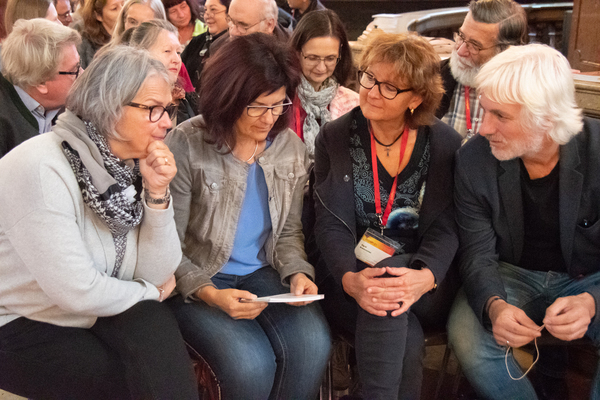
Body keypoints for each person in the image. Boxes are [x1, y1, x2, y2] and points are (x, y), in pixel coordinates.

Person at [0, 44, 198, 400]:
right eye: (153, 109)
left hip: (95, 310)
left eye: (168, 109)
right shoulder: (41, 166)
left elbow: (157, 271)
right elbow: (77, 289)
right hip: (20, 319)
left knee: (155, 331)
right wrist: (150, 293)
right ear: (109, 106)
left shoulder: (130, 166)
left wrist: (157, 194)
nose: (168, 122)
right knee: (119, 375)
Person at [165, 33, 331, 400]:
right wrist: (211, 294)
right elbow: (167, 247)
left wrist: (298, 273)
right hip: (198, 278)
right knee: (249, 364)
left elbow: (287, 232)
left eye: (278, 105)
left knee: (312, 346)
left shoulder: (289, 148)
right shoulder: (187, 143)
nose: (269, 118)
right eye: (257, 107)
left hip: (262, 272)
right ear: (229, 97)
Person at [447, 44, 600, 400]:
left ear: (546, 118)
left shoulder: (597, 151)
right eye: (484, 110)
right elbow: (476, 254)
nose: (484, 128)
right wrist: (495, 306)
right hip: (511, 273)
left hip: (592, 276)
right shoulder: (473, 160)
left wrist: (592, 301)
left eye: (500, 116)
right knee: (467, 335)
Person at [313, 31, 461, 399]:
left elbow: (446, 226)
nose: (372, 92)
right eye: (369, 78)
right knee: (402, 337)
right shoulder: (335, 137)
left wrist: (425, 276)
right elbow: (330, 222)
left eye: (390, 87)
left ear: (417, 98)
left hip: (424, 282)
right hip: (352, 277)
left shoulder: (444, 144)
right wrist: (349, 278)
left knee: (389, 282)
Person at [436, 0, 526, 139]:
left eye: (474, 46)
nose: (460, 51)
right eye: (461, 36)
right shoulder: (433, 77)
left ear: (505, 51)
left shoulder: (524, 94)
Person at [0, 18, 80, 158]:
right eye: (74, 70)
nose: (83, 75)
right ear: (41, 82)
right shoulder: (4, 124)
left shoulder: (57, 104)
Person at [289, 9, 358, 157]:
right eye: (312, 58)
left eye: (330, 59)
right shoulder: (281, 99)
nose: (321, 67)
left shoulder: (353, 103)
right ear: (296, 52)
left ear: (340, 54)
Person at [129, 19, 196, 125]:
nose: (177, 59)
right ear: (141, 52)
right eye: (167, 51)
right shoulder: (128, 102)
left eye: (178, 52)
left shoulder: (183, 99)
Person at [181, 0, 229, 90]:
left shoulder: (235, 45)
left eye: (213, 10)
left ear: (229, 13)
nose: (207, 15)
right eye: (206, 10)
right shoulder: (197, 42)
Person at [77, 0, 123, 68]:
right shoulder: (85, 44)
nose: (122, 10)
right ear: (98, 16)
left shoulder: (130, 35)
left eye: (123, 4)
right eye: (114, 8)